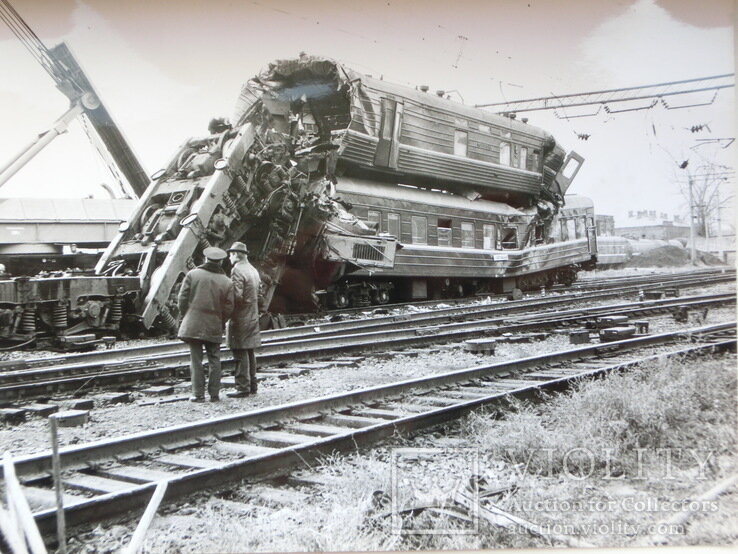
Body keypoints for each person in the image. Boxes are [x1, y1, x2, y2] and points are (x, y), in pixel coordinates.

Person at [177, 246, 234, 402]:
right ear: (221, 262)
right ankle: (214, 395)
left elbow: (182, 299)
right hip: (214, 324)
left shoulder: (192, 275)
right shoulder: (227, 282)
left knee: (195, 359)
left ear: (205, 259)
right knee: (215, 359)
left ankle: (198, 394)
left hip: (193, 323)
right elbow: (229, 308)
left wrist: (187, 315)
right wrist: (220, 320)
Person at [225, 241, 262, 397]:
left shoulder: (237, 270)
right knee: (249, 351)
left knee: (240, 351)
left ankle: (242, 387)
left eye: (230, 255)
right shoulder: (253, 270)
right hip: (252, 315)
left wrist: (227, 311)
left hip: (240, 317)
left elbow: (237, 296)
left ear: (235, 255)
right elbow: (260, 294)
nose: (229, 258)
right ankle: (252, 384)